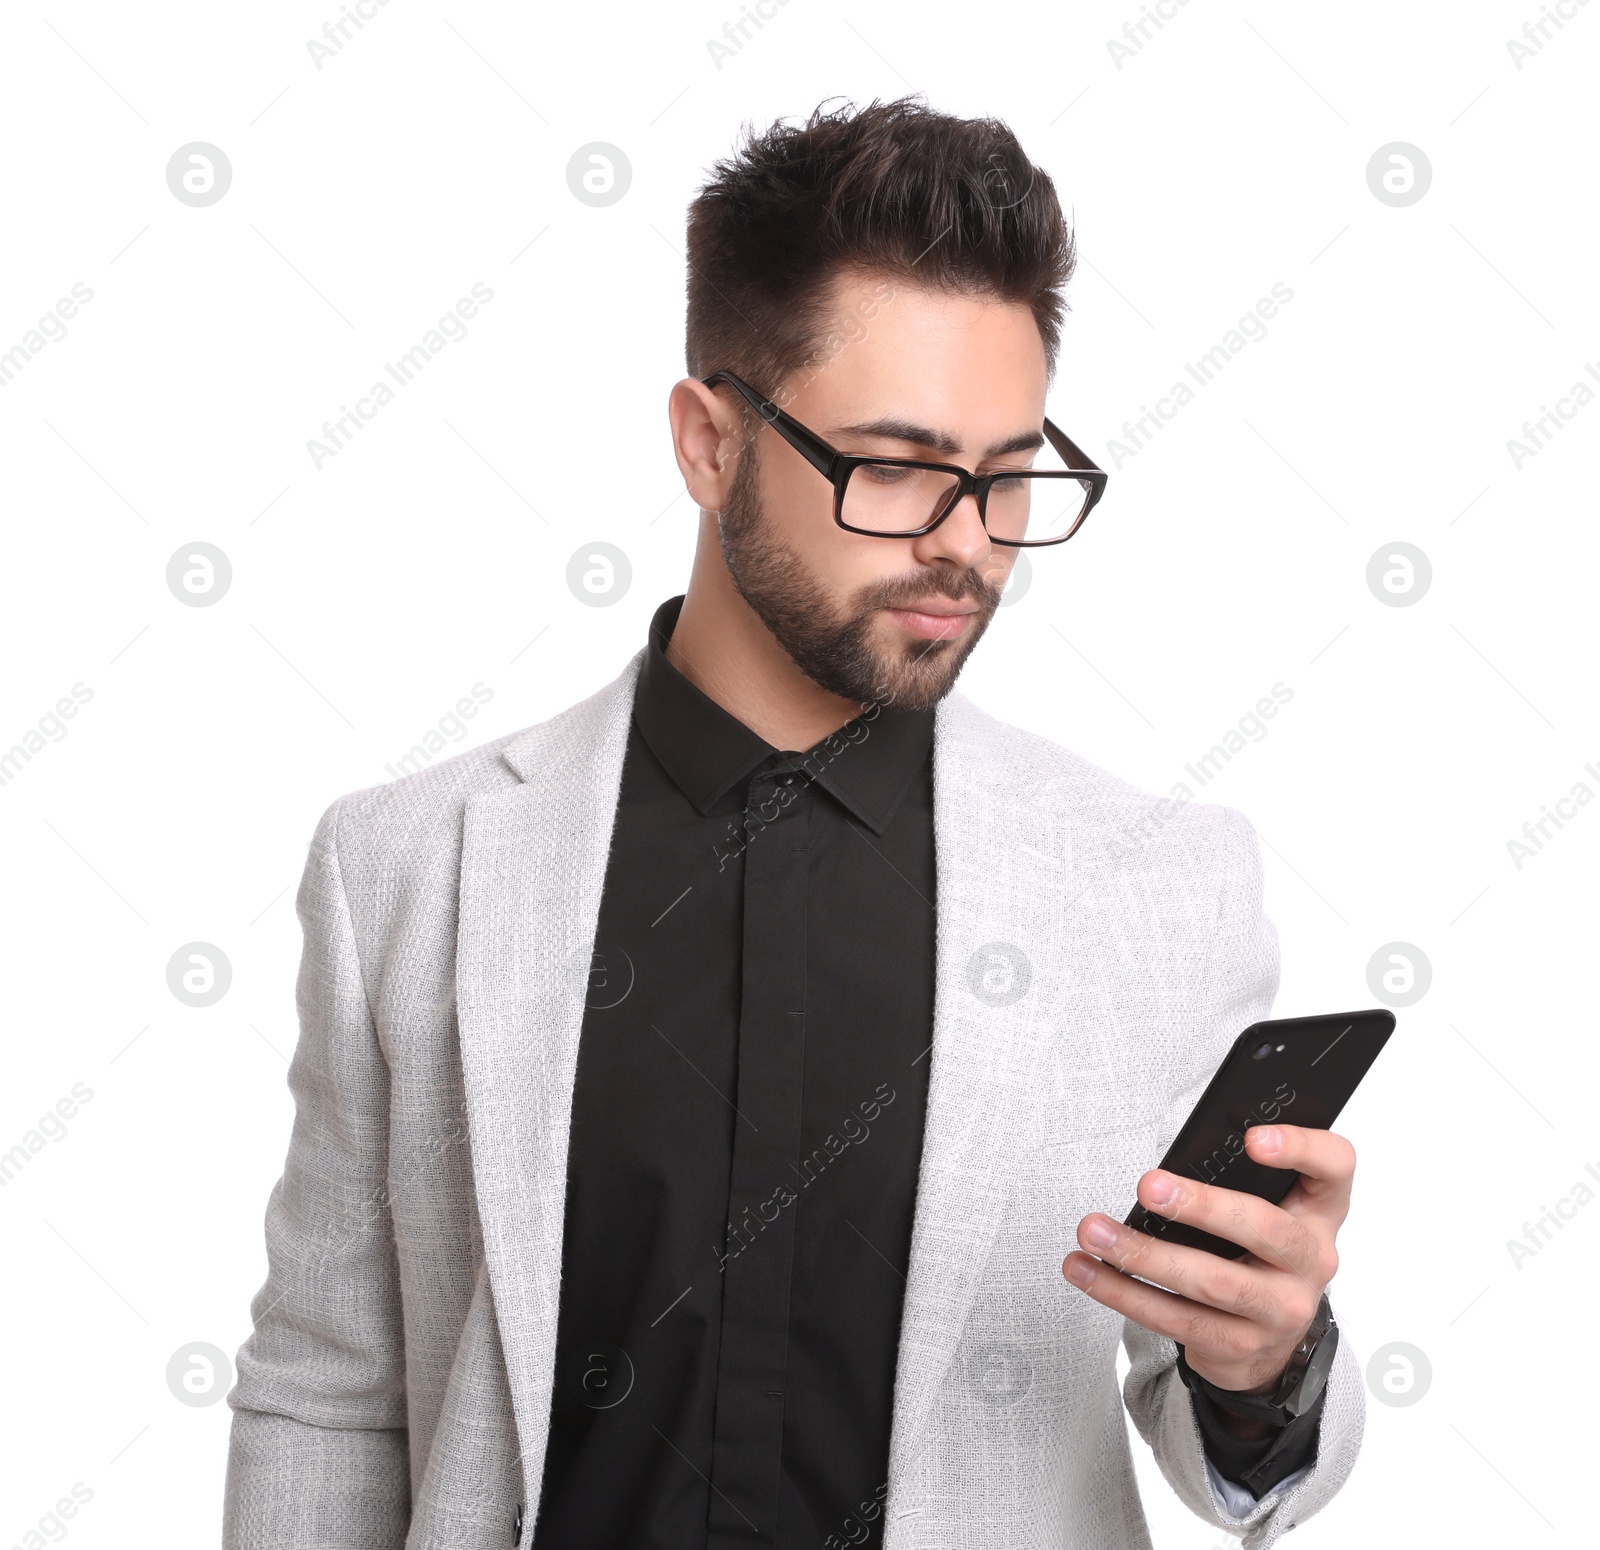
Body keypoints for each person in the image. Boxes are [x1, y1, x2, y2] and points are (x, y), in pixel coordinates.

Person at [223, 97, 1363, 1550]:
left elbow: (1226, 1444)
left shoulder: (1161, 888)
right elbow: (329, 1382)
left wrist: (1261, 1361)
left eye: (1008, 474)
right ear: (708, 442)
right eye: (895, 464)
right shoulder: (407, 867)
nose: (966, 539)